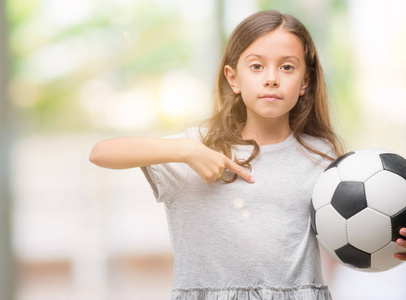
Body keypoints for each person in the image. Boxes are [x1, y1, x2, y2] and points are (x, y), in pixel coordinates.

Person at [89, 10, 406, 300]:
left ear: (305, 81)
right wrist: (185, 150)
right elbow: (101, 153)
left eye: (287, 66)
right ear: (233, 78)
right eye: (256, 66)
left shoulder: (324, 159)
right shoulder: (196, 149)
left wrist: (391, 242)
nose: (271, 77)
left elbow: (351, 239)